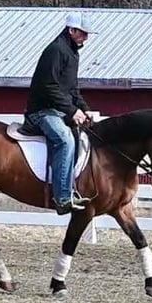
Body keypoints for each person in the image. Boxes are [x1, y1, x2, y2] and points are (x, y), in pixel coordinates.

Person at [24, 12, 97, 215]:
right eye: (83, 33)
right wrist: (72, 111)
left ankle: (74, 188)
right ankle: (63, 198)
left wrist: (84, 108)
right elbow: (49, 87)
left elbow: (72, 89)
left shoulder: (72, 53)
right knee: (65, 140)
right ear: (72, 30)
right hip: (42, 111)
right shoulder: (56, 50)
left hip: (58, 110)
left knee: (81, 137)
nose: (86, 37)